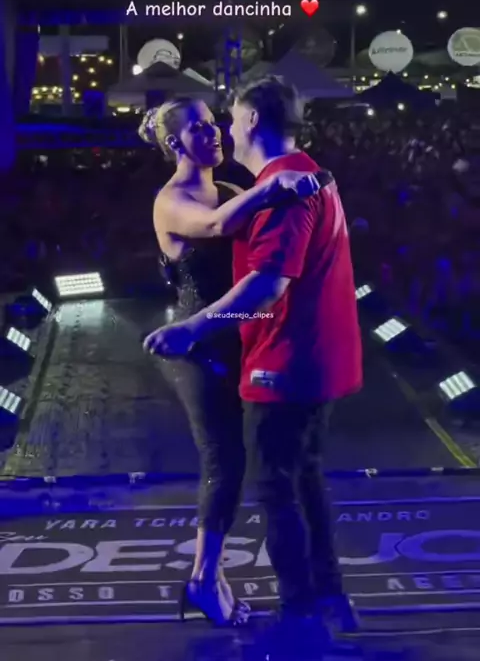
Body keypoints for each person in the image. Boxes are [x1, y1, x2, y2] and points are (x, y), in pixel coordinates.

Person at [144, 77, 363, 634]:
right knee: (232, 463)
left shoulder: (242, 184)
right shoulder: (177, 199)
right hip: (204, 345)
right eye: (198, 126)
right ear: (173, 143)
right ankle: (208, 579)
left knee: (275, 474)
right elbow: (219, 227)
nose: (216, 130)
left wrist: (281, 183)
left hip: (246, 341)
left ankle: (300, 601)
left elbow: (267, 274)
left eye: (217, 120)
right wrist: (276, 186)